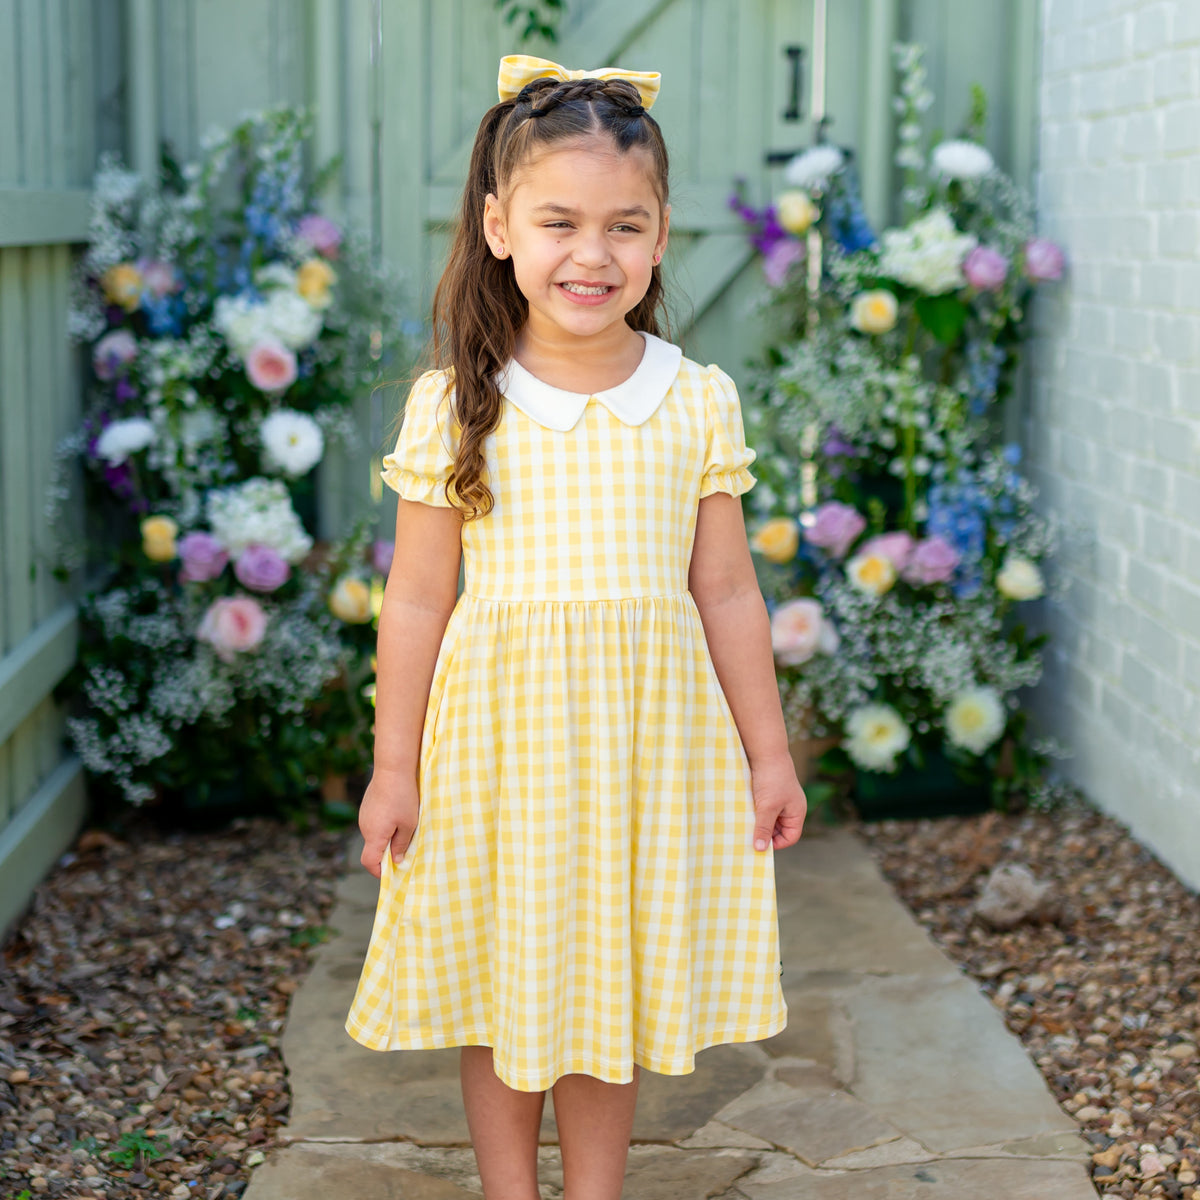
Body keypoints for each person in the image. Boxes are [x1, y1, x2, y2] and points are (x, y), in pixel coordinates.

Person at [347, 53, 807, 1200]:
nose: (591, 255)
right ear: (499, 225)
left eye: (625, 226)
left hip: (647, 755)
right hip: (499, 754)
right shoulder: (460, 398)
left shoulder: (694, 397)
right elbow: (415, 599)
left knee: (609, 987)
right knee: (507, 985)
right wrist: (392, 767)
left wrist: (770, 751)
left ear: (661, 238)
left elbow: (728, 592)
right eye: (559, 222)